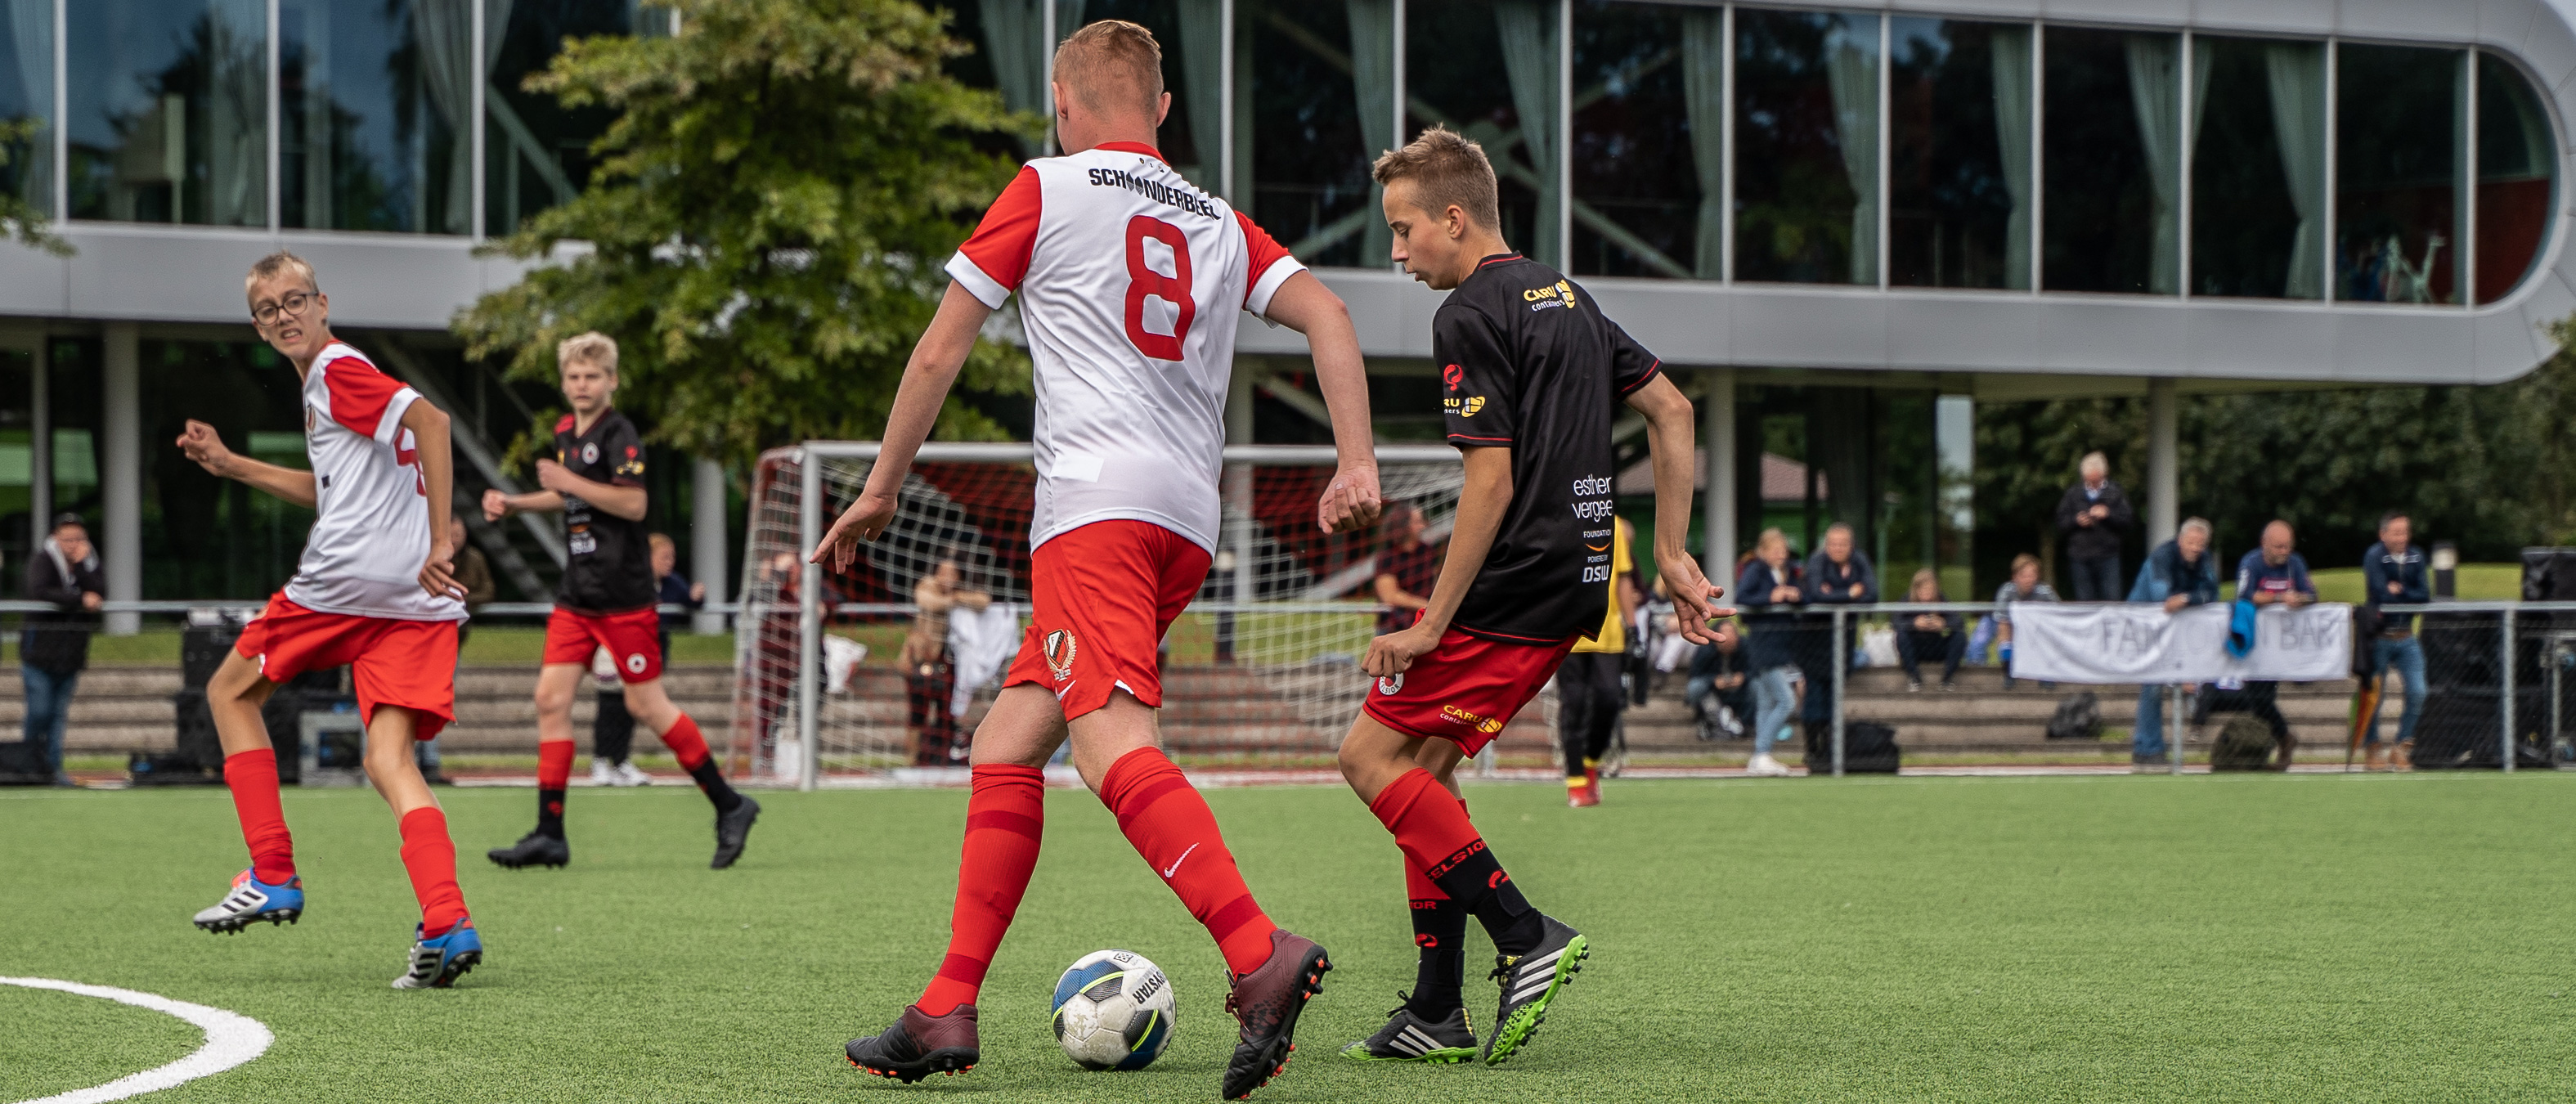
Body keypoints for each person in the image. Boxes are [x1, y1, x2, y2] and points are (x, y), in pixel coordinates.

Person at [817, 21, 1384, 1096]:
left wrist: (882, 485)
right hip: (1181, 520)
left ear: (1061, 103)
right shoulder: (1218, 220)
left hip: (1092, 512)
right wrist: (1351, 458)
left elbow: (941, 344)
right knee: (1006, 738)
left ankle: (1257, 951)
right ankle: (945, 1005)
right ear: (1163, 109)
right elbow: (1329, 313)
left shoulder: (1045, 184)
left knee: (1106, 742)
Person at [1332, 123, 1721, 1067]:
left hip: (1514, 583)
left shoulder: (1467, 312)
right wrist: (1668, 553)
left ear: (1455, 219)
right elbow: (1674, 409)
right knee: (1424, 774)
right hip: (1578, 582)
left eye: (1403, 229)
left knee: (1367, 758)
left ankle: (1525, 935)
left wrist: (1429, 623)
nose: (1396, 251)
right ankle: (1436, 1009)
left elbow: (1492, 485)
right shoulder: (1570, 297)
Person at [175, 251, 481, 988]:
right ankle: (447, 921)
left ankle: (273, 870)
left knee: (228, 693)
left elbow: (433, 422)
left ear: (322, 302)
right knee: (389, 762)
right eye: (269, 309)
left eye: (294, 300)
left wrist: (442, 536)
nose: (284, 315)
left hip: (347, 585)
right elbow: (337, 491)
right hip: (416, 603)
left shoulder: (338, 369)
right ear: (258, 326)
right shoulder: (335, 387)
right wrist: (232, 465)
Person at [482, 332, 758, 871]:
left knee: (645, 706)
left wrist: (567, 482)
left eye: (592, 376)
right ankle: (550, 831)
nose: (582, 385)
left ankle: (730, 804)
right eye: (574, 377)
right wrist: (515, 504)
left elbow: (632, 504)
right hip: (577, 595)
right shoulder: (566, 430)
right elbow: (568, 495)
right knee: (550, 700)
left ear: (612, 381)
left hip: (624, 597)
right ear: (564, 383)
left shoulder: (619, 433)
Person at [1555, 516, 1640, 807]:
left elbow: (1623, 577)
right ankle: (1576, 781)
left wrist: (1633, 626)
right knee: (1574, 702)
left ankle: (1591, 759)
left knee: (1609, 699)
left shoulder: (1613, 525)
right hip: (1566, 633)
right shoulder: (1558, 523)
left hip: (1608, 633)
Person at [2127, 518, 2220, 771]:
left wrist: (2188, 598)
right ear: (2180, 541)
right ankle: (2147, 748)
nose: (2195, 548)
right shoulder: (2162, 556)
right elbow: (2162, 597)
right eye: (2191, 542)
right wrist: (2189, 599)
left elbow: (2212, 592)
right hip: (2145, 624)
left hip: (2178, 627)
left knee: (2169, 682)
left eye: (2200, 544)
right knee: (2153, 684)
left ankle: (2151, 748)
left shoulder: (2205, 559)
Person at [21, 513, 103, 786]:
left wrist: (81, 568)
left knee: (58, 717)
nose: (73, 544)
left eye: (78, 538)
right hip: (39, 654)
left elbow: (100, 591)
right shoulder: (42, 560)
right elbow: (40, 591)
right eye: (67, 538)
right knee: (40, 712)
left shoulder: (89, 563)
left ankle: (53, 769)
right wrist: (79, 598)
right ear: (56, 537)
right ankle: (29, 766)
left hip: (70, 655)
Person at [2233, 520, 2316, 770]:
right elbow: (2246, 595)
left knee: (2262, 698)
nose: (2284, 552)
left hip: (2285, 645)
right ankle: (2282, 739)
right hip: (2258, 644)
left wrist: (2299, 599)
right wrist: (2280, 597)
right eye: (2279, 547)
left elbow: (2312, 594)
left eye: (2287, 546)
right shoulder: (2252, 563)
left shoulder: (2296, 563)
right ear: (2264, 544)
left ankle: (2279, 742)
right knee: (2257, 698)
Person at [420, 515, 493, 785]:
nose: (456, 538)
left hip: (453, 641)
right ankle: (410, 757)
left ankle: (430, 760)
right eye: (451, 534)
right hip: (421, 639)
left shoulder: (474, 559)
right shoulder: (422, 555)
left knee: (438, 698)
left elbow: (487, 590)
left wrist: (457, 600)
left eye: (460, 533)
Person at [902, 559, 992, 765]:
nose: (948, 578)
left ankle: (943, 756)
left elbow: (983, 601)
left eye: (953, 574)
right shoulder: (927, 586)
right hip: (923, 659)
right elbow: (928, 602)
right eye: (943, 573)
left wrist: (959, 596)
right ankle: (912, 758)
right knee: (917, 712)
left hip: (951, 662)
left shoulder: (963, 592)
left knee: (947, 713)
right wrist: (955, 600)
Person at [2359, 511, 2426, 771]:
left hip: (2407, 636)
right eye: (2397, 533)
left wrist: (2401, 592)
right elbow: (2379, 593)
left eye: (2405, 532)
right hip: (2379, 638)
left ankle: (2401, 747)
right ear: (2383, 534)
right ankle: (2372, 749)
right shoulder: (2374, 556)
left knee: (2418, 691)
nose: (2402, 538)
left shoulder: (2417, 556)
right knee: (2375, 694)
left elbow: (2424, 595)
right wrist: (2397, 595)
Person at [1735, 528, 1804, 777]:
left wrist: (1794, 595)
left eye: (1783, 551)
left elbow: (1801, 595)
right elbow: (1743, 597)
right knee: (1786, 702)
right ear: (1763, 551)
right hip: (1764, 646)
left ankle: (1759, 758)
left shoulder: (1787, 573)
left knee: (1766, 703)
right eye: (1775, 551)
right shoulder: (1756, 570)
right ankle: (1762, 752)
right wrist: (1771, 596)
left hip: (1780, 645)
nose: (1781, 555)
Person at [1797, 523, 1876, 741]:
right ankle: (1814, 748)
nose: (1837, 548)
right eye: (1832, 544)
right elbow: (1816, 595)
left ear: (1851, 546)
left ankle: (1832, 750)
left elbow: (1872, 594)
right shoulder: (1816, 561)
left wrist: (1834, 594)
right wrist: (1851, 593)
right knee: (1815, 698)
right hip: (1814, 641)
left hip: (1844, 641)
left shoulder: (1859, 560)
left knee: (1834, 698)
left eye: (1842, 544)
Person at [2054, 452, 2135, 601]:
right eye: (2089, 481)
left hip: (2108, 556)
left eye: (2095, 481)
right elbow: (2060, 523)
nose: (2092, 484)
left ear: (2104, 475)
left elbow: (2128, 521)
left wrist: (2108, 514)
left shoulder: (2116, 492)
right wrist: (2076, 521)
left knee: (2112, 601)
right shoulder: (2073, 494)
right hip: (2080, 557)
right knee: (2085, 605)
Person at [1371, 502, 1441, 635]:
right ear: (1404, 526)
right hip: (1393, 626)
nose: (1423, 526)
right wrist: (1425, 605)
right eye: (1418, 522)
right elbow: (1390, 596)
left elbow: (1434, 583)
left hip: (1423, 622)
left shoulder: (1427, 551)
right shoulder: (1387, 557)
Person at [1990, 553, 2057, 690]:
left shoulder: (2045, 592)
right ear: (2015, 577)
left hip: (2038, 631)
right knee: (2002, 628)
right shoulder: (2006, 591)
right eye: (2024, 576)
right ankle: (2009, 670)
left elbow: (2059, 616)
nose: (2028, 580)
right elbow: (2002, 619)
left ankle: (2047, 674)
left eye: (2031, 575)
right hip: (2015, 630)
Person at [1894, 568, 1965, 692]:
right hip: (1915, 647)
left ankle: (1947, 680)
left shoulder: (1941, 599)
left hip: (1936, 645)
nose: (1926, 592)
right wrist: (1914, 623)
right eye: (1922, 589)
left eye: (1930, 589)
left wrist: (1943, 623)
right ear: (1916, 589)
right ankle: (1915, 678)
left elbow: (1958, 621)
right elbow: (1895, 621)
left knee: (1960, 636)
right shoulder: (1907, 600)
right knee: (1901, 635)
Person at [1682, 619, 1748, 742]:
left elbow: (1755, 669)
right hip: (1713, 689)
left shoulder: (1745, 646)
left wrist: (1743, 677)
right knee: (1695, 687)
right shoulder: (1705, 649)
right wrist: (1714, 680)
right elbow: (1695, 674)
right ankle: (1705, 719)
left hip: (1741, 688)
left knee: (1757, 686)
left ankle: (1746, 722)